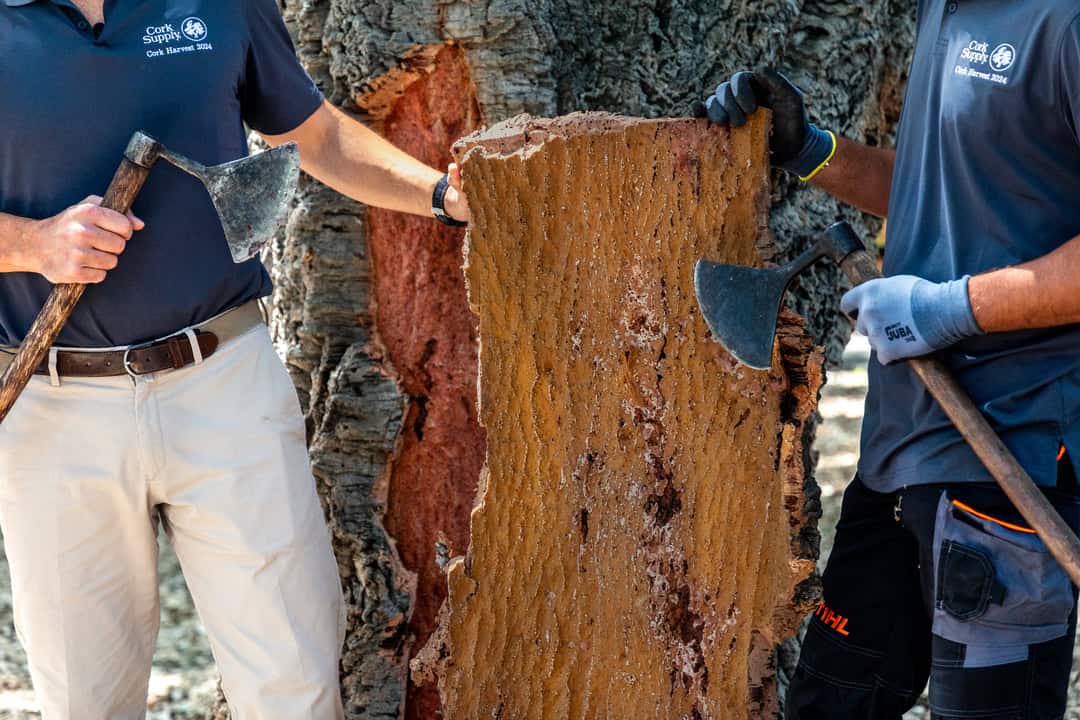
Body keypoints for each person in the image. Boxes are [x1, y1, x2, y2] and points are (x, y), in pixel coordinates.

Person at [0, 1, 469, 718]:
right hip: (49, 403)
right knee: (82, 700)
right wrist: (32, 244)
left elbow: (314, 134)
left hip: (224, 382)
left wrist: (442, 194)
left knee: (293, 683)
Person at [700, 2, 1080, 717]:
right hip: (900, 456)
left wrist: (947, 310)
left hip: (1009, 461)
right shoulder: (944, 10)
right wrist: (813, 150)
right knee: (829, 703)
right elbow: (950, 188)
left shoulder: (1064, 24)